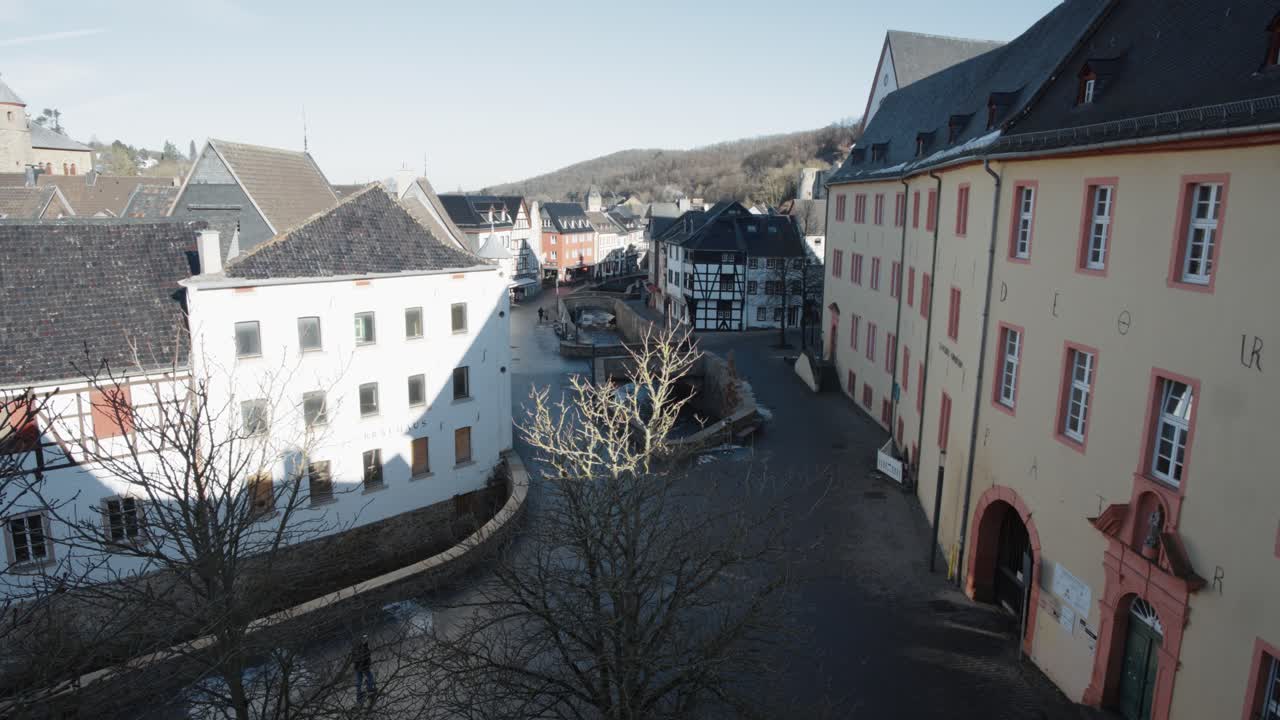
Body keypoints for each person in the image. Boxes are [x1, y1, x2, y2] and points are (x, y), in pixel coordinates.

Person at [353, 634, 375, 704]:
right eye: (365, 639)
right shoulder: (362, 648)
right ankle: (369, 690)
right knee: (369, 677)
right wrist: (364, 664)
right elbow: (363, 657)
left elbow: (355, 658)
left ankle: (360, 697)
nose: (366, 640)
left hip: (359, 667)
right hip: (362, 667)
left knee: (359, 682)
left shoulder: (359, 647)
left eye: (366, 639)